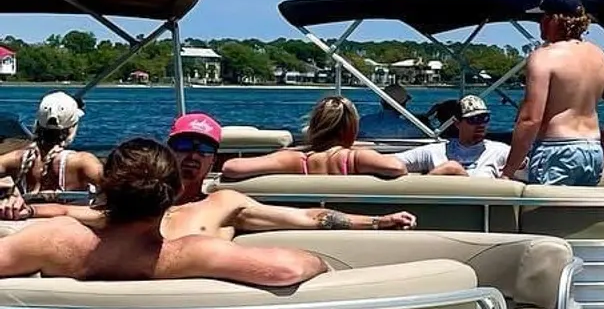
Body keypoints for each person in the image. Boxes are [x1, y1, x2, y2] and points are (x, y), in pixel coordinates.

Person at [0, 139, 326, 287]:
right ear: (170, 195)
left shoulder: (54, 239)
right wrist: (321, 261)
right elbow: (288, 269)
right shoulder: (191, 254)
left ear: (106, 189)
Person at [162, 114, 419, 236]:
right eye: (185, 145)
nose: (194, 155)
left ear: (214, 159)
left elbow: (310, 217)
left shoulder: (223, 204)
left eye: (204, 148)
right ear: (168, 149)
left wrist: (377, 221)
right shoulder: (131, 196)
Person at [502, 0, 604, 186]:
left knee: (546, 216)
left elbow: (530, 119)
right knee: (577, 215)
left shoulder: (544, 56)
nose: (540, 24)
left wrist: (508, 171)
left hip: (556, 150)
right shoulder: (601, 57)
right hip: (592, 150)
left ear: (553, 20)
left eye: (542, 18)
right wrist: (601, 150)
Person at [222, 97, 410, 182]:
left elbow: (231, 167)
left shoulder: (295, 159)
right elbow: (396, 167)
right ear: (352, 128)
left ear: (314, 126)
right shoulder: (356, 158)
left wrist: (295, 150)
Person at [0, 93, 104, 199]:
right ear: (72, 128)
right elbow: (116, 187)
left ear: (37, 124)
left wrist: (10, 192)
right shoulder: (82, 161)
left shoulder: (15, 159)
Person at [398, 96, 510, 179]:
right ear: (457, 123)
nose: (480, 124)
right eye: (473, 119)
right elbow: (393, 161)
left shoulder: (501, 152)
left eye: (484, 118)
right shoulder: (434, 151)